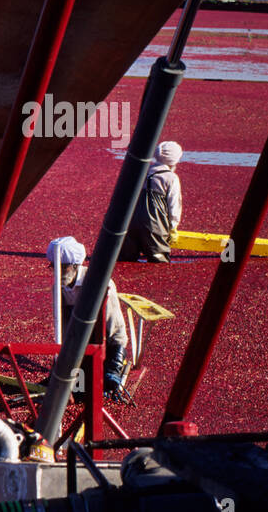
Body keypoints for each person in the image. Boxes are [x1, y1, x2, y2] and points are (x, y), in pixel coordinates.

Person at [47, 236, 129, 395]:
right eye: (54, 267)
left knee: (98, 391)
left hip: (102, 345)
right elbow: (62, 329)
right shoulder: (58, 289)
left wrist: (115, 366)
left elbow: (116, 329)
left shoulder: (101, 285)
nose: (59, 273)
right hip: (78, 346)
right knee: (78, 391)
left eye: (64, 267)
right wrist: (60, 363)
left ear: (76, 265)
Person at [120, 140, 183, 263]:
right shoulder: (171, 178)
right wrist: (173, 227)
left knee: (126, 260)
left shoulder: (142, 171)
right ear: (175, 160)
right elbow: (174, 206)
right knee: (158, 261)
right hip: (155, 225)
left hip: (131, 222)